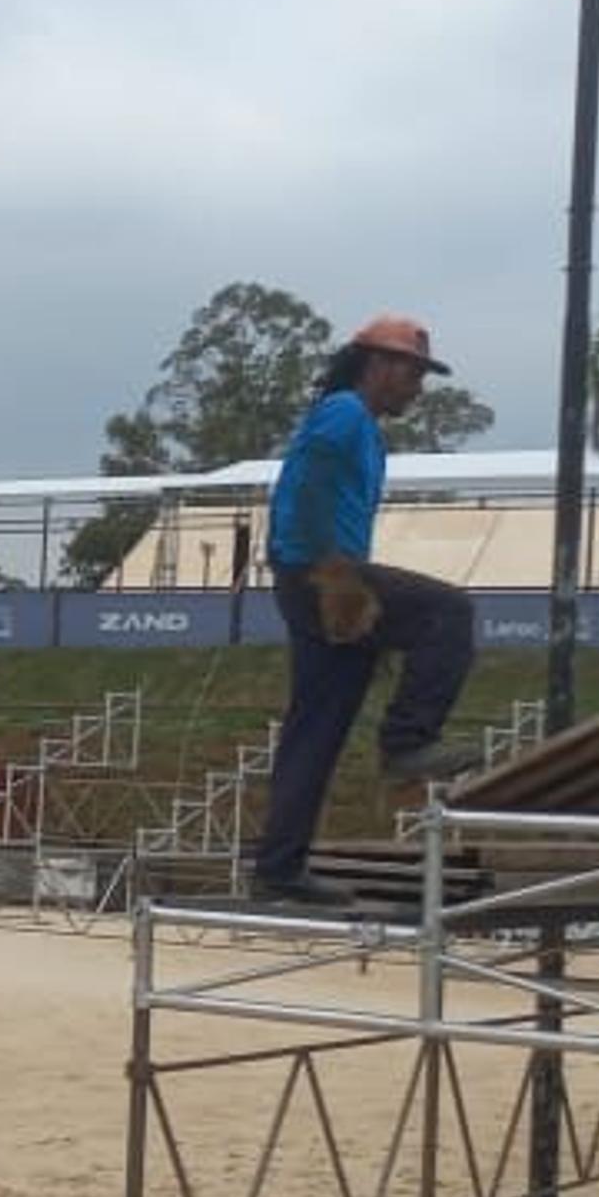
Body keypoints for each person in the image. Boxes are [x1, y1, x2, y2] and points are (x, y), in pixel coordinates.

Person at [246, 315, 478, 907]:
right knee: (448, 614)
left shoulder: (358, 423)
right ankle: (407, 741)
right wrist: (336, 574)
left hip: (316, 574)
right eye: (414, 374)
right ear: (380, 365)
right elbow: (310, 487)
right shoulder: (345, 414)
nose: (419, 388)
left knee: (317, 730)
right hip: (320, 573)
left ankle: (279, 867)